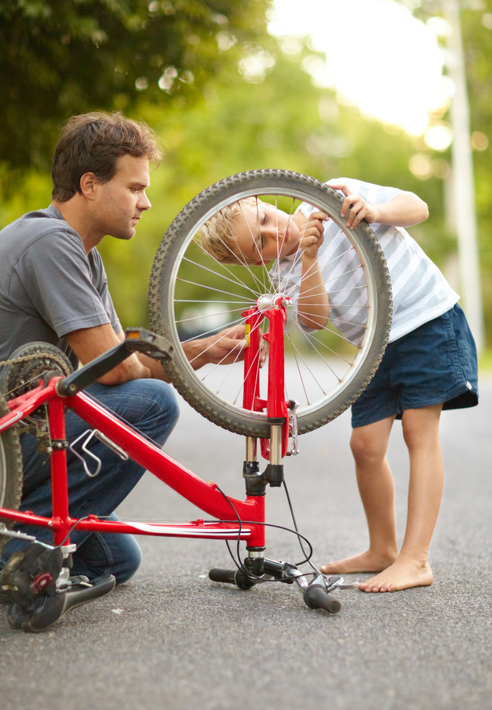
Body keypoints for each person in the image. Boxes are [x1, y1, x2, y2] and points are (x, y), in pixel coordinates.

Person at [0, 112, 248, 587]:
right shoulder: (50, 242)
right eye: (134, 188)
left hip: (27, 437)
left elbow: (115, 360)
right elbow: (116, 373)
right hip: (8, 445)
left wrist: (204, 350)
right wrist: (184, 354)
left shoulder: (83, 253)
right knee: (152, 404)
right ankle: (19, 541)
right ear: (89, 184)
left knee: (116, 560)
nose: (146, 202)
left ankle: (25, 540)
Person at [200, 177, 479, 593]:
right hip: (374, 346)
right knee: (365, 446)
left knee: (419, 432)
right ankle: (382, 548)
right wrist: (309, 257)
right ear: (255, 263)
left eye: (265, 218)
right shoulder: (285, 273)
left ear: (265, 201)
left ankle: (415, 559)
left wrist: (377, 210)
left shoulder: (334, 195)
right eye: (262, 244)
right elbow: (314, 319)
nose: (275, 232)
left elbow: (416, 206)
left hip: (425, 320)